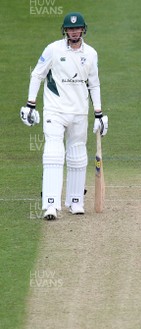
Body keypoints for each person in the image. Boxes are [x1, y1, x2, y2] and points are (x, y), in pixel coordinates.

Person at [20, 12, 108, 220]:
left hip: (79, 112)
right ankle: (50, 204)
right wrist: (30, 104)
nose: (74, 31)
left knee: (77, 156)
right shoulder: (53, 49)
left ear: (83, 29)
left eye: (77, 28)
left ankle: (75, 201)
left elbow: (94, 84)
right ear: (65, 30)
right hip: (55, 111)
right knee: (53, 153)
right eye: (70, 28)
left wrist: (99, 114)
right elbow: (37, 74)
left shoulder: (92, 54)